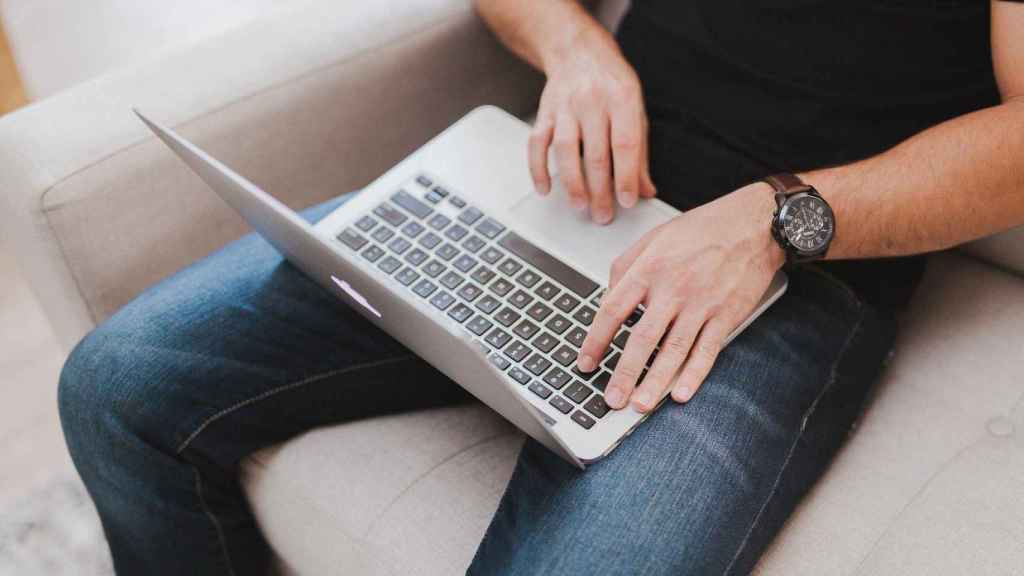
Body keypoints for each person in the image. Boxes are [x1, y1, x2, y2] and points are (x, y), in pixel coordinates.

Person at [59, 0, 1024, 574]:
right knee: (117, 385)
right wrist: (575, 48)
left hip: (793, 272)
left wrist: (778, 222)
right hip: (569, 188)